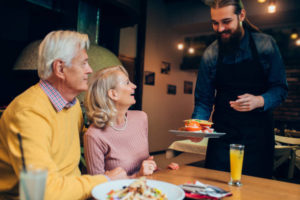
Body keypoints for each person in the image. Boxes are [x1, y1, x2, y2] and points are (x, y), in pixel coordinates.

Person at [0, 30, 127, 200]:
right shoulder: (28, 113)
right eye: (84, 63)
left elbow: (92, 139)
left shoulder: (72, 105)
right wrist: (105, 180)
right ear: (60, 68)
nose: (90, 70)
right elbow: (40, 192)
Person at [192, 0, 288, 178]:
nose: (220, 29)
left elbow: (280, 89)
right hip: (222, 136)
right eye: (215, 23)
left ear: (241, 15)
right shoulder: (210, 54)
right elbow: (204, 100)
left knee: (256, 191)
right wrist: (198, 124)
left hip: (258, 138)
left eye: (226, 21)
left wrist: (260, 100)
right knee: (216, 187)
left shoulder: (265, 45)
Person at [84, 65, 157, 177]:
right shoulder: (94, 135)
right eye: (127, 83)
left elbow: (147, 166)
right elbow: (97, 187)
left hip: (148, 191)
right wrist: (137, 176)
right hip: (119, 194)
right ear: (113, 94)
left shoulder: (141, 118)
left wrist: (162, 169)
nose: (134, 86)